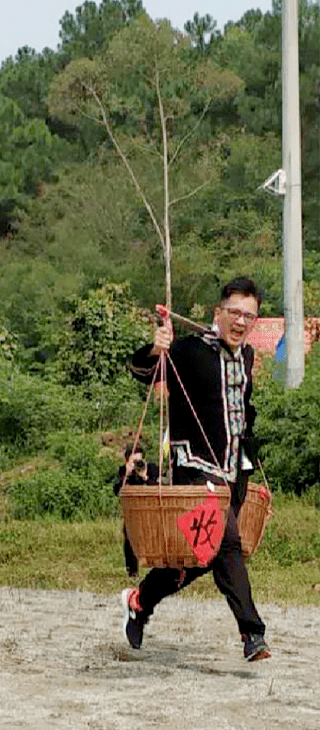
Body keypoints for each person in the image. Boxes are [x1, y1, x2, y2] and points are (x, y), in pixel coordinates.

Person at [122, 277, 270, 662]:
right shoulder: (188, 351)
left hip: (234, 472)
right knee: (227, 541)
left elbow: (245, 413)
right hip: (195, 469)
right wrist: (156, 349)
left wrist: (251, 459)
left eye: (249, 316)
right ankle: (252, 633)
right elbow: (142, 372)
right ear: (217, 312)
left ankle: (141, 600)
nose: (241, 321)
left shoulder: (248, 356)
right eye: (234, 313)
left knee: (202, 557)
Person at [113, 442, 159, 578]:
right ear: (128, 461)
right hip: (132, 510)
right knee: (130, 539)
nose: (138, 464)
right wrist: (126, 474)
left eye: (140, 460)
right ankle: (132, 572)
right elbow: (117, 490)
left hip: (151, 509)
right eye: (135, 461)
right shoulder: (123, 471)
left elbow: (159, 489)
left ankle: (158, 573)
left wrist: (145, 477)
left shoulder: (151, 468)